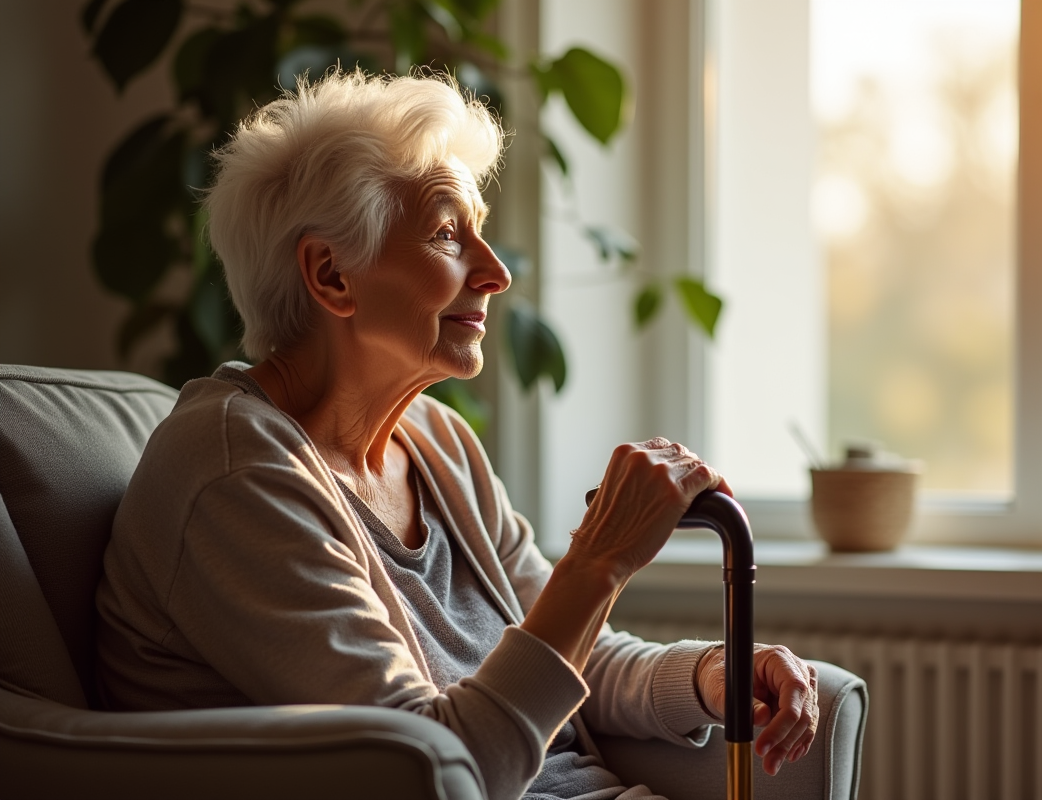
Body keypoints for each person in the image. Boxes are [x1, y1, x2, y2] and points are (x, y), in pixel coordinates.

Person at [95, 69, 818, 800]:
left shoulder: (435, 440)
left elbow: (571, 658)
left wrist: (712, 676)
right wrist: (597, 560)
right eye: (448, 233)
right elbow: (425, 768)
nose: (497, 272)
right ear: (331, 274)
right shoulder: (234, 475)